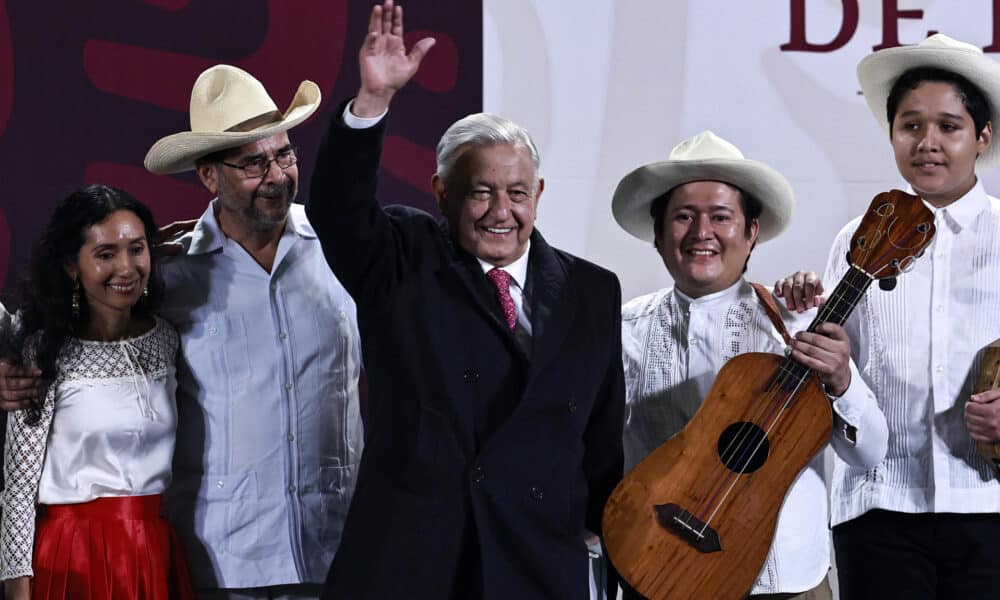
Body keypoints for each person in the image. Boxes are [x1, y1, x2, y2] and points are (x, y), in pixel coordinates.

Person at [305, 2, 625, 598]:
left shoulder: (592, 289)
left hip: (535, 558)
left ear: (540, 194)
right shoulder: (403, 256)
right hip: (416, 557)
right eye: (480, 192)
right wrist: (372, 103)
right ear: (442, 192)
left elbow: (601, 435)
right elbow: (337, 212)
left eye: (517, 193)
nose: (501, 211)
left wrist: (610, 538)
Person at [612, 131, 888, 599]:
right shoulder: (621, 331)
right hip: (659, 574)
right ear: (658, 234)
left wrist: (841, 380)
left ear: (751, 231)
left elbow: (868, 455)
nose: (703, 233)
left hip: (786, 581)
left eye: (721, 217)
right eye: (684, 217)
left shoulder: (797, 324)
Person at [775, 34, 1000, 598]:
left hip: (990, 503)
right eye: (910, 125)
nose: (928, 143)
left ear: (982, 137)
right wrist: (803, 326)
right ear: (893, 134)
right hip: (877, 509)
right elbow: (828, 374)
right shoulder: (855, 239)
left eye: (949, 126)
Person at [139, 64, 364, 598]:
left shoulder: (344, 251)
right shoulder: (170, 276)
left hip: (337, 551)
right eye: (253, 163)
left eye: (284, 154)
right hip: (221, 562)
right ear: (208, 175)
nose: (277, 175)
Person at [0, 184, 194, 599]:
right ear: (72, 266)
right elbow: (18, 488)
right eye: (105, 254)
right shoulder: (42, 350)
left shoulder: (168, 339)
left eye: (136, 249)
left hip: (153, 552)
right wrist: (16, 587)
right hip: (71, 557)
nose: (126, 268)